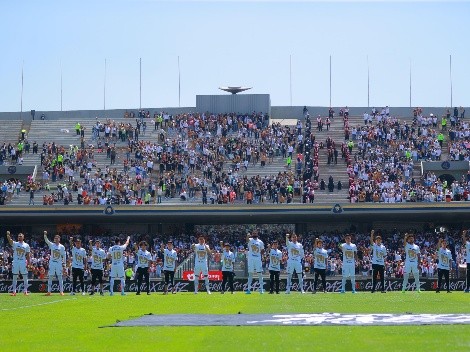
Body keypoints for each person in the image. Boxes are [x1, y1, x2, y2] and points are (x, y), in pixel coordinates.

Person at [6, 231, 30, 296]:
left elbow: (28, 255)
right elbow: (10, 241)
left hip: (23, 261)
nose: (19, 237)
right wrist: (8, 235)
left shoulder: (26, 245)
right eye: (18, 236)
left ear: (23, 237)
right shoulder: (15, 244)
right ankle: (14, 291)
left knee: (25, 276)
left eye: (21, 236)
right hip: (16, 261)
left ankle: (25, 291)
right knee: (15, 276)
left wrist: (29, 263)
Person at [44, 231, 66, 296]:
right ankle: (49, 292)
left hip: (59, 263)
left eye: (57, 238)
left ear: (59, 239)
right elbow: (46, 240)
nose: (56, 239)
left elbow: (64, 256)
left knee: (60, 277)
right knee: (50, 277)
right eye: (55, 238)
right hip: (52, 263)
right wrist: (45, 234)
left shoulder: (62, 247)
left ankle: (61, 291)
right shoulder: (52, 245)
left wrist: (64, 264)